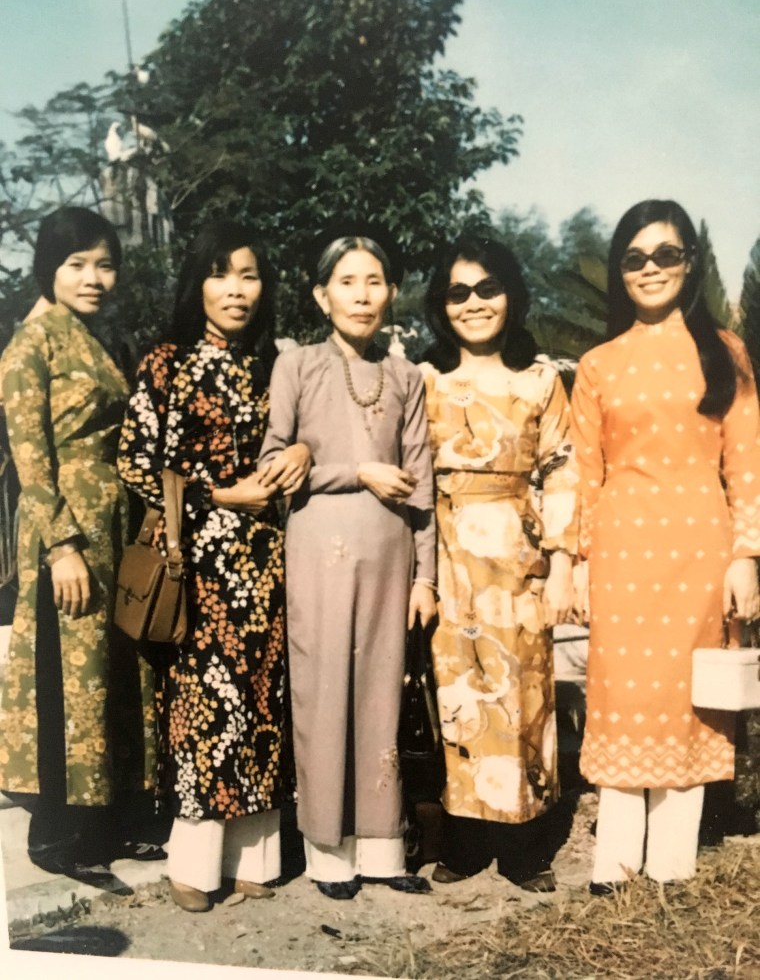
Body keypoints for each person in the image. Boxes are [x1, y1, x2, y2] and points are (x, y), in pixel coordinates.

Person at [118, 220, 309, 912]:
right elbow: (136, 462)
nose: (236, 289)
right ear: (197, 281)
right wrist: (218, 492)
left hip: (265, 563)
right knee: (204, 707)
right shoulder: (165, 363)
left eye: (250, 274)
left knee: (262, 700)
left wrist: (304, 454)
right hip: (194, 563)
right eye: (221, 273)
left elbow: (305, 432)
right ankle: (195, 864)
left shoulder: (277, 363)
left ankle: (257, 855)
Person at [570, 199, 760, 894]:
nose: (650, 269)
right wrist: (578, 563)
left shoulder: (725, 353)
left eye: (666, 254)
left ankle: (673, 865)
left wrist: (746, 554)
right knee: (622, 692)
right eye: (635, 258)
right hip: (621, 550)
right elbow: (583, 473)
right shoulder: (596, 364)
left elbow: (747, 461)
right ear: (620, 271)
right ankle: (614, 868)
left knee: (688, 695)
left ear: (690, 263)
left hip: (699, 549)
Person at [258, 224, 436, 900]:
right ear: (321, 294)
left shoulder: (405, 374)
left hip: (391, 559)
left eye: (374, 281)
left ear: (391, 291)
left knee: (383, 696)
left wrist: (427, 575)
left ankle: (385, 847)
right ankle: (329, 853)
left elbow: (422, 480)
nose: (362, 295)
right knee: (325, 691)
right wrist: (354, 471)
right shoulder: (296, 365)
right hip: (320, 554)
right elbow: (276, 463)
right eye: (347, 282)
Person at [0, 206, 160, 884]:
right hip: (66, 529)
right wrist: (61, 544)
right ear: (49, 267)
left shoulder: (90, 336)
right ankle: (56, 835)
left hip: (113, 525)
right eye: (76, 263)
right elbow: (30, 456)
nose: (94, 278)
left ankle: (110, 820)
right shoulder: (30, 345)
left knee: (111, 669)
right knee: (69, 678)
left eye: (104, 263)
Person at [420, 233, 578, 892]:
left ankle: (523, 846)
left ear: (512, 295)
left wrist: (565, 563)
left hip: (518, 558)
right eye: (459, 291)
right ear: (441, 303)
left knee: (524, 697)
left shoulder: (540, 379)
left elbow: (564, 471)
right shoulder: (423, 378)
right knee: (456, 697)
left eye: (488, 288)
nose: (475, 302)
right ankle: (462, 842)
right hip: (446, 553)